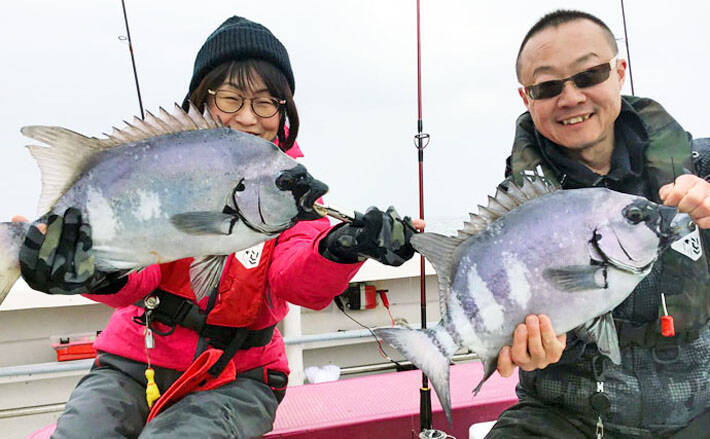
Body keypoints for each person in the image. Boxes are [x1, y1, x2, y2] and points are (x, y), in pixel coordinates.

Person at [18, 16, 419, 439]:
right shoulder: (167, 169)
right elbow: (140, 279)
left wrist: (344, 246)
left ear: (284, 111)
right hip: (133, 364)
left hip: (238, 377)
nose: (248, 117)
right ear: (203, 100)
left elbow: (296, 279)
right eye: (230, 98)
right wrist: (91, 272)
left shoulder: (286, 189)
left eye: (266, 102)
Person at [484, 10, 710, 438]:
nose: (570, 98)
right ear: (526, 97)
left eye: (589, 75)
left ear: (618, 72)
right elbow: (499, 312)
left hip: (700, 410)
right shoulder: (515, 211)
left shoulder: (701, 164)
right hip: (560, 417)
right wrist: (512, 346)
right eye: (548, 86)